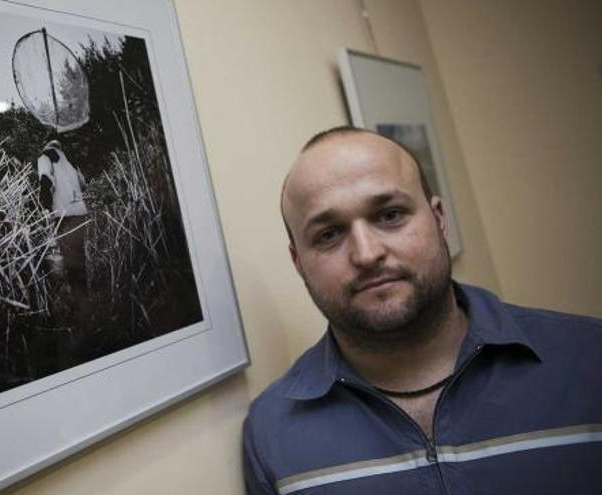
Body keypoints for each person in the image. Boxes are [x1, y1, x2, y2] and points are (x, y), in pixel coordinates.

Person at [243, 126, 602, 494]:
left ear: (439, 218)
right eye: (329, 234)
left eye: (390, 215)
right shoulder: (272, 433)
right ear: (298, 262)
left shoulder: (588, 359)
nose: (366, 254)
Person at [37, 139, 89, 290]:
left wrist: (45, 208)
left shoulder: (45, 158)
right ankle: (84, 293)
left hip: (63, 214)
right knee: (79, 255)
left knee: (68, 257)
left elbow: (46, 181)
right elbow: (83, 184)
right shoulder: (70, 159)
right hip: (80, 212)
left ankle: (77, 297)